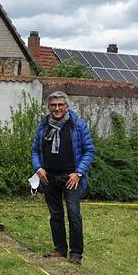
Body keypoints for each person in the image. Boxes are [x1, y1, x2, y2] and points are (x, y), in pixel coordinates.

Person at [31, 91, 95, 265]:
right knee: (55, 214)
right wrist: (38, 168)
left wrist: (79, 173)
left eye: (60, 105)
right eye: (53, 105)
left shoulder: (78, 125)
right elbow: (35, 150)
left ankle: (76, 253)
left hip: (71, 177)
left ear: (66, 106)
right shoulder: (44, 125)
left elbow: (89, 151)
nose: (57, 108)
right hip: (49, 177)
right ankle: (60, 249)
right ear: (49, 107)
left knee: (74, 214)